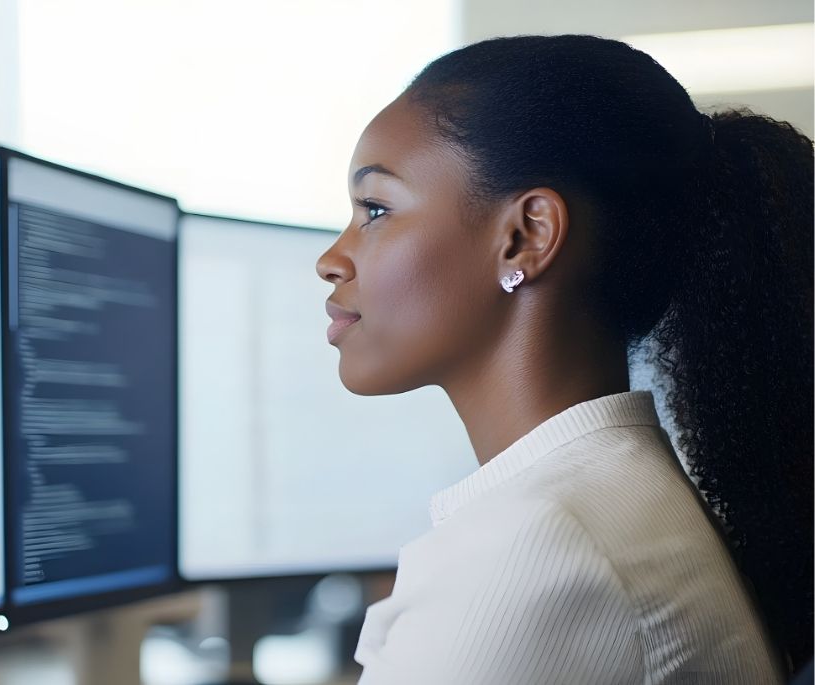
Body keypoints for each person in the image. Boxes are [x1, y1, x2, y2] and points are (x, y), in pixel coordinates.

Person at [315, 34, 812, 684]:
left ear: (526, 237)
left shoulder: (538, 547)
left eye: (375, 209)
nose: (331, 259)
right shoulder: (600, 499)